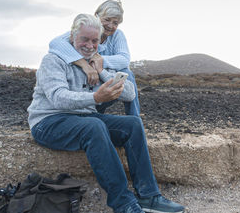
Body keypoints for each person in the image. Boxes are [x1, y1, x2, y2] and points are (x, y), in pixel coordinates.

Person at [28, 14, 185, 213]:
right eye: (84, 39)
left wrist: (101, 71)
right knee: (94, 126)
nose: (90, 45)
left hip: (82, 119)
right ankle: (124, 204)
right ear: (72, 37)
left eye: (95, 41)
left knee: (133, 124)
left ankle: (148, 196)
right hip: (49, 122)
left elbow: (129, 93)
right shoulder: (53, 60)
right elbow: (58, 97)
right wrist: (96, 98)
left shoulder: (96, 61)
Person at [49, 0, 140, 116]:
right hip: (84, 78)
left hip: (104, 74)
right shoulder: (86, 29)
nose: (111, 26)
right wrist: (84, 64)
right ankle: (88, 113)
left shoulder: (117, 35)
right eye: (107, 20)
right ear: (96, 15)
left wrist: (100, 61)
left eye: (115, 23)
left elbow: (124, 59)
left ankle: (134, 117)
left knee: (127, 73)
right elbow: (55, 43)